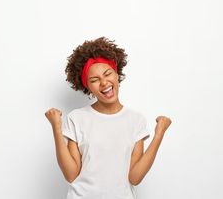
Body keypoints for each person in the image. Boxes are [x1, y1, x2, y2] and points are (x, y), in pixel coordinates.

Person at [45, 37, 172, 199]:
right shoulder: (77, 118)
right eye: (94, 80)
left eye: (107, 74)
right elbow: (71, 175)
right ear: (88, 87)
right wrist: (56, 127)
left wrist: (159, 134)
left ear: (116, 74)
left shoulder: (136, 120)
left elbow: (135, 177)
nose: (104, 83)